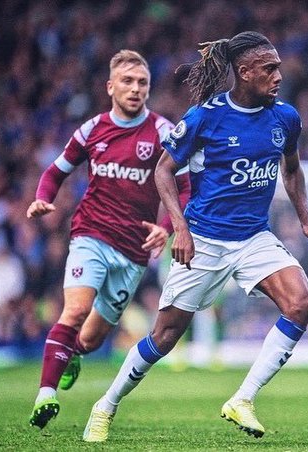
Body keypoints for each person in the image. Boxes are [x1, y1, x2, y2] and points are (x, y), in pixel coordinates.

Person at [82, 31, 308, 442]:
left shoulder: (285, 117)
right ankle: (106, 404)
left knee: (301, 302)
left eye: (279, 68)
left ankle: (243, 399)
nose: (278, 76)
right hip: (204, 240)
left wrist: (305, 219)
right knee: (164, 337)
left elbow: (292, 168)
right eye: (269, 69)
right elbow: (163, 170)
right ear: (244, 71)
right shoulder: (205, 117)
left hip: (254, 237)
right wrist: (179, 229)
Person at [27, 49, 190, 429]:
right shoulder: (91, 130)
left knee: (92, 338)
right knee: (75, 310)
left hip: (134, 251)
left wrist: (166, 226)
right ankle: (45, 395)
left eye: (143, 83)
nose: (136, 89)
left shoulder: (164, 132)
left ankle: (74, 353)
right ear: (111, 87)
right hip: (91, 234)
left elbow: (183, 187)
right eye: (128, 82)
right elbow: (55, 171)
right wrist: (42, 198)